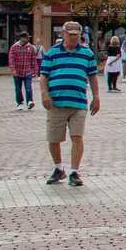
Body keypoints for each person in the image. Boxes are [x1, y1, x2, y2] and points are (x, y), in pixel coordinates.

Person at [38, 21, 100, 186]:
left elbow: (93, 76)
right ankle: (59, 168)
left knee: (77, 137)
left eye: (76, 34)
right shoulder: (52, 53)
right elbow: (43, 76)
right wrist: (44, 94)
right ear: (63, 34)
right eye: (70, 34)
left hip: (78, 102)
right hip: (56, 102)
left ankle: (74, 172)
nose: (73, 37)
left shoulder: (87, 53)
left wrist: (96, 96)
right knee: (54, 139)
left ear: (80, 35)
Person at [9, 31, 39, 110]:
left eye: (28, 38)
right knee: (18, 88)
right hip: (17, 72)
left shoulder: (31, 47)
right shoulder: (14, 47)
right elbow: (11, 60)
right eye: (26, 38)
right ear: (21, 38)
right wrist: (13, 70)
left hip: (27, 71)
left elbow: (34, 60)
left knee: (28, 87)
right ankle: (20, 103)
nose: (27, 39)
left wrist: (35, 71)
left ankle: (30, 101)